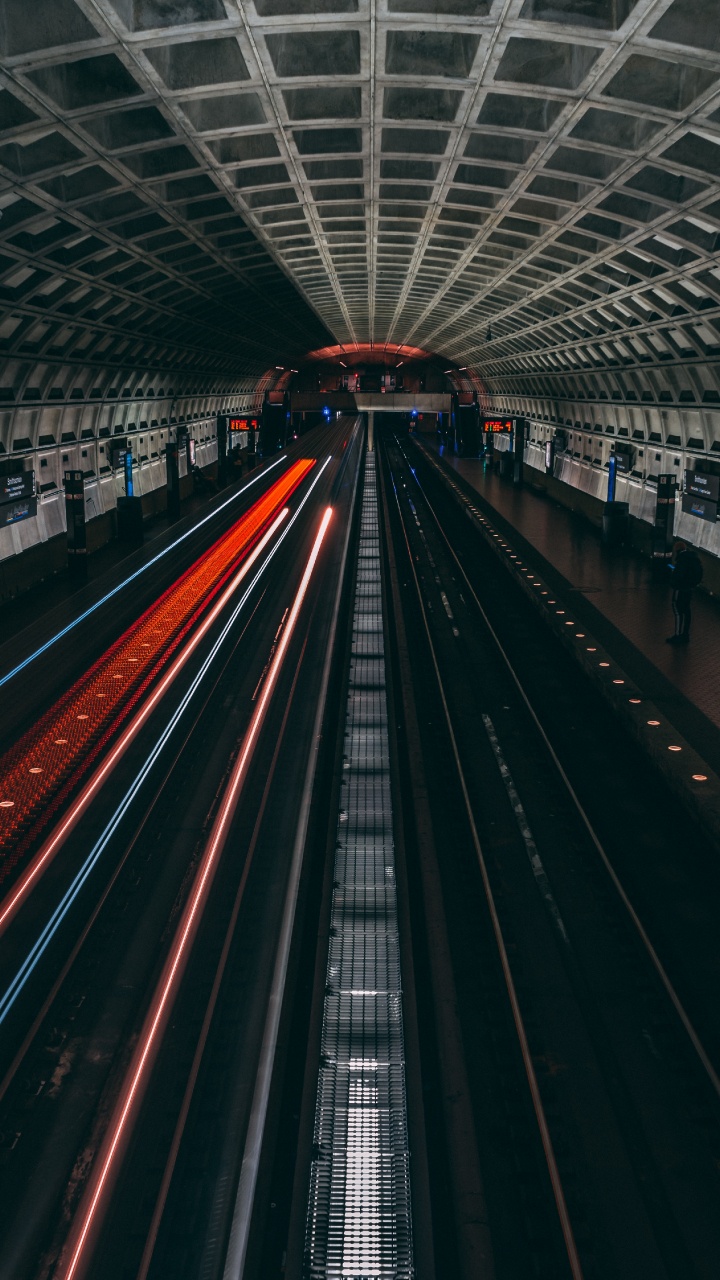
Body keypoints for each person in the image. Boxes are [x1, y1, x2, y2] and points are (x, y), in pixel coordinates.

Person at [666, 538, 703, 645]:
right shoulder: (693, 558)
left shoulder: (682, 560)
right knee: (686, 611)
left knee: (677, 610)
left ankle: (677, 635)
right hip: (689, 589)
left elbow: (678, 576)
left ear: (677, 550)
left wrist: (673, 583)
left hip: (680, 589)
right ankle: (685, 635)